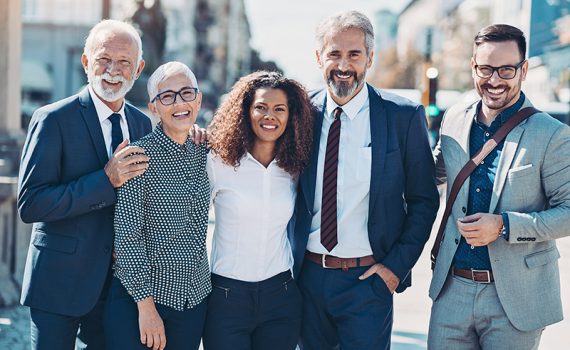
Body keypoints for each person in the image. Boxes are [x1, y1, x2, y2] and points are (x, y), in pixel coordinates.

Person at [289, 11, 440, 350]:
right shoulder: (300, 114)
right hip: (307, 278)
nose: (344, 65)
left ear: (370, 58)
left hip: (367, 283)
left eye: (354, 54)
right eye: (334, 54)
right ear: (318, 57)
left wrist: (393, 269)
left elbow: (424, 201)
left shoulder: (402, 116)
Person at [429, 24, 570, 349]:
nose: (494, 80)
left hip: (517, 298)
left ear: (524, 69)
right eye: (486, 69)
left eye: (506, 69)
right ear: (473, 67)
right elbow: (426, 178)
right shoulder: (453, 119)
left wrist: (505, 225)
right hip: (453, 291)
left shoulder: (551, 134)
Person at [17, 19, 152, 349]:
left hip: (118, 289)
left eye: (124, 62)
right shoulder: (52, 119)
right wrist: (106, 180)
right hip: (59, 282)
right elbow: (31, 203)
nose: (113, 70)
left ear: (138, 69)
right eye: (104, 59)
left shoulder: (143, 124)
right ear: (86, 61)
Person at [202, 71, 314, 350]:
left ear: (291, 116)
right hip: (227, 297)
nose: (270, 116)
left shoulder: (295, 168)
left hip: (281, 297)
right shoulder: (217, 162)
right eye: (260, 107)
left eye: (279, 109)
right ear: (245, 111)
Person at [106, 61, 210, 350]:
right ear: (154, 108)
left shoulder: (206, 151)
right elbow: (127, 238)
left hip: (193, 302)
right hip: (142, 305)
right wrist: (146, 308)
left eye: (186, 93)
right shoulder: (137, 158)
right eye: (167, 96)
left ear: (198, 99)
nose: (179, 102)